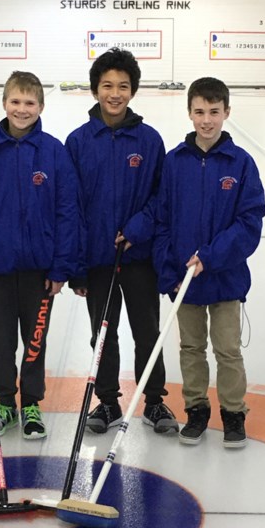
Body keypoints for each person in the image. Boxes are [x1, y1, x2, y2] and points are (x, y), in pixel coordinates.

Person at [64, 48, 177, 435]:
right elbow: (71, 206)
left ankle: (155, 401)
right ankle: (108, 402)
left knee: (147, 330)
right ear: (95, 90)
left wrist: (136, 230)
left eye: (123, 86)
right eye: (107, 85)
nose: (115, 93)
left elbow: (161, 197)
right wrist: (77, 267)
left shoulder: (148, 140)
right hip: (98, 258)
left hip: (138, 256)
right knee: (103, 333)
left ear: (133, 91)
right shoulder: (78, 142)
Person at [0, 71, 80, 440]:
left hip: (38, 270)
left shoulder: (53, 151)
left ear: (41, 107)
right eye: (15, 101)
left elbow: (67, 210)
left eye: (29, 103)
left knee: (34, 339)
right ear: (4, 103)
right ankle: (3, 403)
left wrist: (61, 266)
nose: (22, 109)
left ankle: (31, 403)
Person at [153, 77, 265, 448]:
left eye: (214, 112)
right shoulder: (174, 162)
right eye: (199, 112)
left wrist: (212, 257)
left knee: (227, 349)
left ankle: (233, 414)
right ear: (189, 113)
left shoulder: (241, 163)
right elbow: (163, 218)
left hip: (225, 277)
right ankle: (197, 409)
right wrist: (170, 271)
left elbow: (249, 223)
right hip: (185, 278)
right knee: (190, 348)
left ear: (226, 113)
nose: (206, 120)